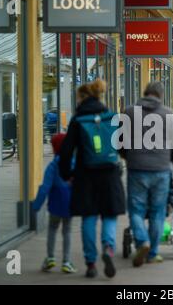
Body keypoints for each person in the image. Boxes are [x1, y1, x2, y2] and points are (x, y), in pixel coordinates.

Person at [59, 79, 125, 279]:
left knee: (89, 217)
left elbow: (66, 151)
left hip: (85, 175)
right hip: (110, 173)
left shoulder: (78, 120)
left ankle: (90, 263)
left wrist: (66, 175)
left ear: (82, 97)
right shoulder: (112, 116)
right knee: (109, 215)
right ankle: (108, 247)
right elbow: (123, 147)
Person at [120, 82, 173, 267]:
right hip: (161, 171)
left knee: (136, 209)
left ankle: (142, 241)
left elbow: (120, 142)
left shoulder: (129, 112)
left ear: (145, 93)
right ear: (160, 96)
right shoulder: (168, 114)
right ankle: (153, 252)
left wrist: (128, 157)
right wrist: (171, 159)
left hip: (137, 169)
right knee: (157, 212)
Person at [32, 133, 77, 274]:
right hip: (69, 204)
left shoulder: (53, 165)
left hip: (55, 205)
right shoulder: (73, 163)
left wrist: (36, 205)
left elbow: (44, 187)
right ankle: (66, 262)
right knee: (67, 231)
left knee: (52, 229)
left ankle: (50, 258)